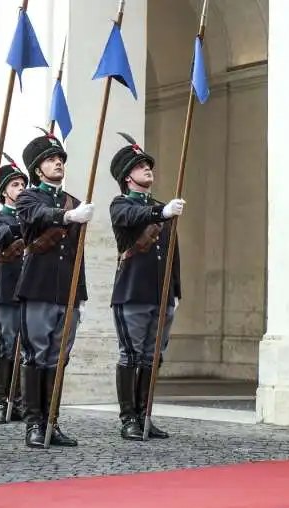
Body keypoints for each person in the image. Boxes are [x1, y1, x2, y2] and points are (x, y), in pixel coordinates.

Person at [15, 130, 93, 448]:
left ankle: (52, 422)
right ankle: (34, 423)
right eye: (51, 159)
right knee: (36, 355)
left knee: (60, 358)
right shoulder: (28, 197)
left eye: (60, 158)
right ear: (37, 169)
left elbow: (78, 253)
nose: (58, 162)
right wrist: (67, 216)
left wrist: (82, 294)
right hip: (38, 287)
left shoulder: (74, 200)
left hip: (67, 291)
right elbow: (36, 216)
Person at [108, 133, 183, 440]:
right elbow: (130, 217)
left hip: (160, 293)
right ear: (128, 176)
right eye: (140, 166)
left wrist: (175, 290)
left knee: (153, 356)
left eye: (148, 165)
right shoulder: (121, 204)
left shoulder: (162, 207)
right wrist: (160, 212)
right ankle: (128, 418)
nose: (147, 169)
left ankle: (145, 415)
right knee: (132, 354)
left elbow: (172, 251)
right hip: (133, 292)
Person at [0, 157, 28, 424]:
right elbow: (0, 235)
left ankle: (22, 402)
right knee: (7, 345)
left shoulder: (31, 215)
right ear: (5, 191)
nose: (21, 188)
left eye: (24, 184)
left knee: (28, 348)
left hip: (31, 289)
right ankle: (2, 402)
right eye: (15, 185)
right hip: (5, 289)